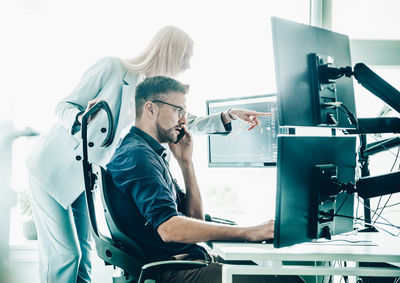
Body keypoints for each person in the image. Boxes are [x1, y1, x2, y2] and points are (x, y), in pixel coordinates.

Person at [25, 26, 269, 283]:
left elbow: (186, 121)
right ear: (170, 52)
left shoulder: (151, 96)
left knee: (84, 259)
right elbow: (64, 105)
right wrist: (81, 118)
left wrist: (228, 115)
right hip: (51, 170)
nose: (185, 66)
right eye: (184, 59)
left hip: (82, 180)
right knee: (66, 256)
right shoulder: (113, 69)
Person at [106, 76, 304, 283]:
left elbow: (194, 219)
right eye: (178, 110)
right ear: (150, 109)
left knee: (278, 275)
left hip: (184, 263)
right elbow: (169, 229)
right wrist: (249, 232)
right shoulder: (138, 157)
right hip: (170, 271)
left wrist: (186, 163)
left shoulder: (147, 152)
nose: (183, 120)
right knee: (282, 280)